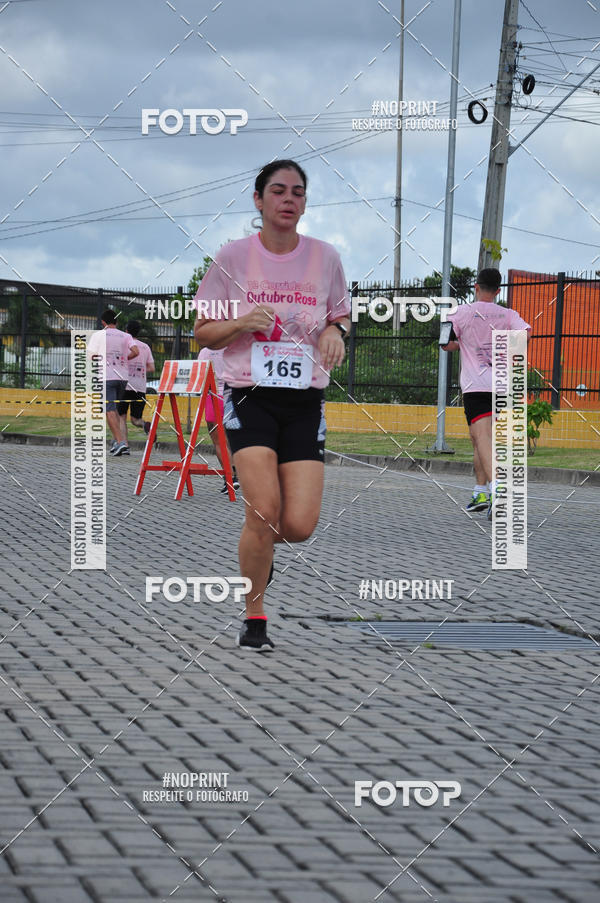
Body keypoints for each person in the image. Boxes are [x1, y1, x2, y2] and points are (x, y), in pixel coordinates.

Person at [194, 159, 350, 651]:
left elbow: (341, 317)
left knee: (298, 525)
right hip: (248, 394)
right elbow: (202, 332)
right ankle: (254, 616)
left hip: (305, 399)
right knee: (263, 511)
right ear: (258, 201)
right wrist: (241, 322)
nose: (289, 200)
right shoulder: (232, 259)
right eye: (278, 191)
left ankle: (255, 546)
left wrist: (334, 332)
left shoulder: (326, 258)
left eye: (298, 192)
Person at [441, 268, 531, 516]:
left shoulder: (461, 312)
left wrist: (465, 344)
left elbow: (445, 343)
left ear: (476, 287)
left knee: (481, 439)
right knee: (480, 439)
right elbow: (525, 335)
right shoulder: (508, 314)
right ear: (498, 290)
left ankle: (499, 490)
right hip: (503, 385)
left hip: (476, 386)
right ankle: (480, 492)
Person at [88, 309, 139, 457]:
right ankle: (118, 442)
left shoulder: (98, 335)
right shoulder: (126, 335)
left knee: (109, 409)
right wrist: (123, 358)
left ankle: (121, 442)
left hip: (106, 377)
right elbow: (136, 351)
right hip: (122, 377)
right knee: (114, 409)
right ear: (116, 322)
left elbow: (91, 356)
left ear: (103, 322)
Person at [196, 346, 240, 493]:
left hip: (213, 396)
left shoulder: (205, 351)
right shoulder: (234, 346)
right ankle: (236, 474)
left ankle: (230, 478)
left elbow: (200, 377)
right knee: (232, 437)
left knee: (218, 442)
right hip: (233, 395)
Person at [116, 320, 155, 448]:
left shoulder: (124, 345)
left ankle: (124, 445)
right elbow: (151, 368)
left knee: (121, 416)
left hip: (125, 386)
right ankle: (144, 425)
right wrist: (140, 368)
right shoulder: (145, 347)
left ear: (126, 331)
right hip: (140, 387)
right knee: (135, 419)